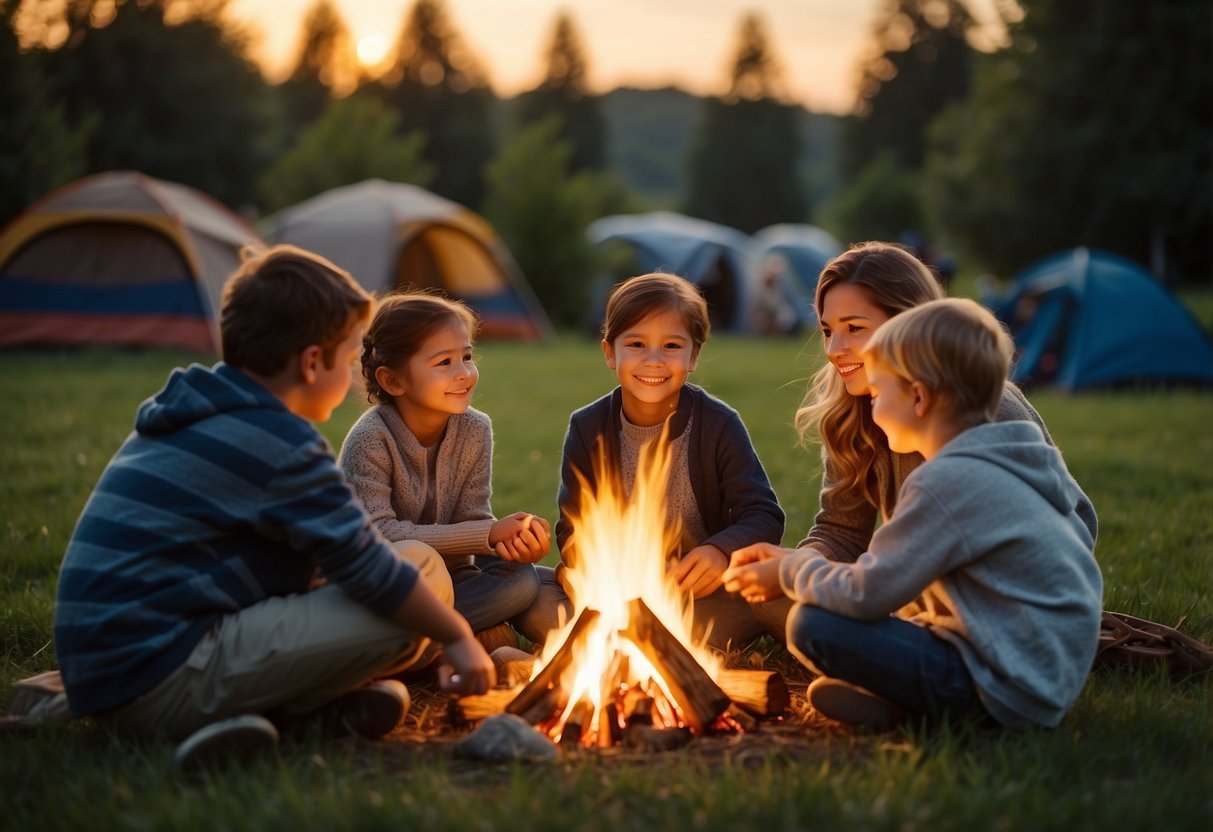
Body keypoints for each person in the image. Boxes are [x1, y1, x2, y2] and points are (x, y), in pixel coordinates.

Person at [52, 245, 495, 770]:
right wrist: (457, 637)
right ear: (312, 363)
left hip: (124, 671)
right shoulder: (275, 441)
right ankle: (231, 721)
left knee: (414, 569)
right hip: (158, 678)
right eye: (351, 357)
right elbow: (367, 568)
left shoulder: (210, 410)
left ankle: (298, 716)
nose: (358, 374)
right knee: (415, 593)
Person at [724, 298, 1104, 729]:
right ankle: (905, 708)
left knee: (812, 624)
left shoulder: (945, 481)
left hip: (1003, 684)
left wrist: (794, 570)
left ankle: (955, 714)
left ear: (918, 397)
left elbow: (868, 591)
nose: (872, 404)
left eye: (880, 392)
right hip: (1046, 676)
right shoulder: (1014, 455)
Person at [784, 241, 1097, 568]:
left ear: (908, 325)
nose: (834, 348)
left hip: (998, 604)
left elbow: (1071, 526)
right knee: (756, 601)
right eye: (826, 330)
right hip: (907, 592)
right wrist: (795, 565)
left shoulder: (984, 408)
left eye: (854, 328)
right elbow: (840, 532)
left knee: (810, 620)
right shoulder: (850, 413)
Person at [544, 272, 788, 651]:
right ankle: (629, 638)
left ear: (693, 356)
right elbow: (572, 529)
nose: (653, 360)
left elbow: (763, 515)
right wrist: (596, 568)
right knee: (531, 590)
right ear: (609, 353)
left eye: (672, 345)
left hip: (699, 597)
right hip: (617, 596)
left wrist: (720, 552)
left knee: (766, 599)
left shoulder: (718, 424)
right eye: (637, 344)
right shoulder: (587, 428)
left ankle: (633, 642)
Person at [339, 292, 557, 649]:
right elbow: (380, 535)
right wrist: (488, 534)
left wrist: (514, 544)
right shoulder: (371, 439)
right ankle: (421, 639)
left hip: (457, 578)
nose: (464, 374)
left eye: (467, 357)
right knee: (516, 596)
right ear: (394, 381)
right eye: (444, 362)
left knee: (525, 581)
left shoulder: (474, 429)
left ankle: (444, 639)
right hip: (391, 582)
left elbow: (472, 519)